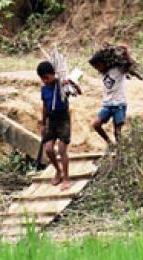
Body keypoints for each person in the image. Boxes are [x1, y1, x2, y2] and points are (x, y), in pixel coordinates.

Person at [37, 61, 79, 190]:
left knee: (61, 149)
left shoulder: (62, 85)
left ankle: (66, 177)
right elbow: (45, 106)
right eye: (42, 79)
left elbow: (78, 92)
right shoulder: (44, 89)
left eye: (47, 78)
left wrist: (71, 83)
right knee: (49, 149)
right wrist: (43, 123)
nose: (45, 81)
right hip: (51, 119)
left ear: (53, 74)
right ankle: (58, 171)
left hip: (63, 119)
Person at [89, 52, 129, 146]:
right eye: (95, 67)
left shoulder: (118, 70)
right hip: (107, 105)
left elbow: (128, 64)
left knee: (117, 132)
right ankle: (110, 144)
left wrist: (126, 52)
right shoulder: (103, 73)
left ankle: (120, 151)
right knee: (96, 125)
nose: (97, 69)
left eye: (98, 66)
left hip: (119, 104)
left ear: (104, 63)